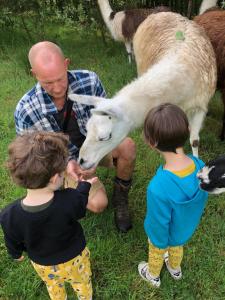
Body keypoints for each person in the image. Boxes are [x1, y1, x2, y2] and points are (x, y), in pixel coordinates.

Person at [14, 41, 136, 233]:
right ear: (34, 74)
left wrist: (97, 155)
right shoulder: (26, 110)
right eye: (47, 82)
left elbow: (110, 122)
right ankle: (61, 192)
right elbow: (31, 160)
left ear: (66, 63)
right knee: (98, 204)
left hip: (95, 148)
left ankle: (121, 198)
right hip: (62, 163)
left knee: (127, 146)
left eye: (60, 79)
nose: (56, 88)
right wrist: (65, 166)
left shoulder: (90, 80)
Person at [0, 131, 100, 300]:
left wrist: (15, 253)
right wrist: (84, 186)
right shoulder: (69, 199)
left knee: (53, 286)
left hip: (43, 264)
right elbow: (80, 205)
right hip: (75, 259)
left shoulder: (8, 215)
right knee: (81, 282)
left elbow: (12, 238)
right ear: (55, 178)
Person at [138, 103, 208, 288]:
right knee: (177, 247)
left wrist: (159, 242)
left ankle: (153, 274)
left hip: (162, 237)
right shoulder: (200, 166)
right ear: (188, 130)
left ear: (151, 143)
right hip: (185, 229)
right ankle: (175, 268)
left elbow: (158, 222)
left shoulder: (158, 187)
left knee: (157, 251)